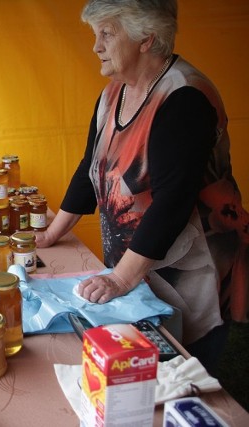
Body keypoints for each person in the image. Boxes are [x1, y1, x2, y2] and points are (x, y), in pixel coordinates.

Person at [36, 0, 248, 375]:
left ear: (146, 38)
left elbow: (173, 201)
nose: (95, 46)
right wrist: (50, 235)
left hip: (193, 263)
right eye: (95, 34)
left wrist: (121, 277)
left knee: (186, 366)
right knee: (139, 359)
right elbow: (91, 167)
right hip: (143, 259)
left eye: (107, 33)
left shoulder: (184, 97)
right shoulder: (113, 93)